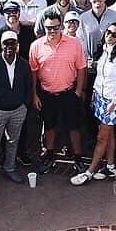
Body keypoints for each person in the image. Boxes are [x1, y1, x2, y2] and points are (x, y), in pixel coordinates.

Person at [29, 11, 88, 174]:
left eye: (55, 27)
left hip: (69, 93)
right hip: (46, 94)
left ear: (61, 26)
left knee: (74, 127)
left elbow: (81, 68)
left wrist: (78, 91)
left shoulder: (74, 43)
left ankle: (78, 158)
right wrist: (34, 94)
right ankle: (49, 157)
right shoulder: (36, 46)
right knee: (49, 126)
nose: (52, 31)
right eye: (49, 28)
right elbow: (33, 72)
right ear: (44, 27)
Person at [71, 23, 116, 186]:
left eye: (114, 35)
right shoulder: (103, 50)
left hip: (112, 101)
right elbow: (100, 77)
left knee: (101, 137)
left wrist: (114, 102)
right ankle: (110, 166)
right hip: (99, 98)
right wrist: (95, 94)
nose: (110, 36)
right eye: (108, 32)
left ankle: (89, 171)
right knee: (108, 134)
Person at [0, 32, 32, 192]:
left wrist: (25, 105)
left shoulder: (23, 64)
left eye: (13, 43)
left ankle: (10, 167)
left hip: (18, 110)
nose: (9, 47)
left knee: (13, 141)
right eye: (6, 43)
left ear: (17, 45)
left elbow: (28, 86)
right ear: (1, 45)